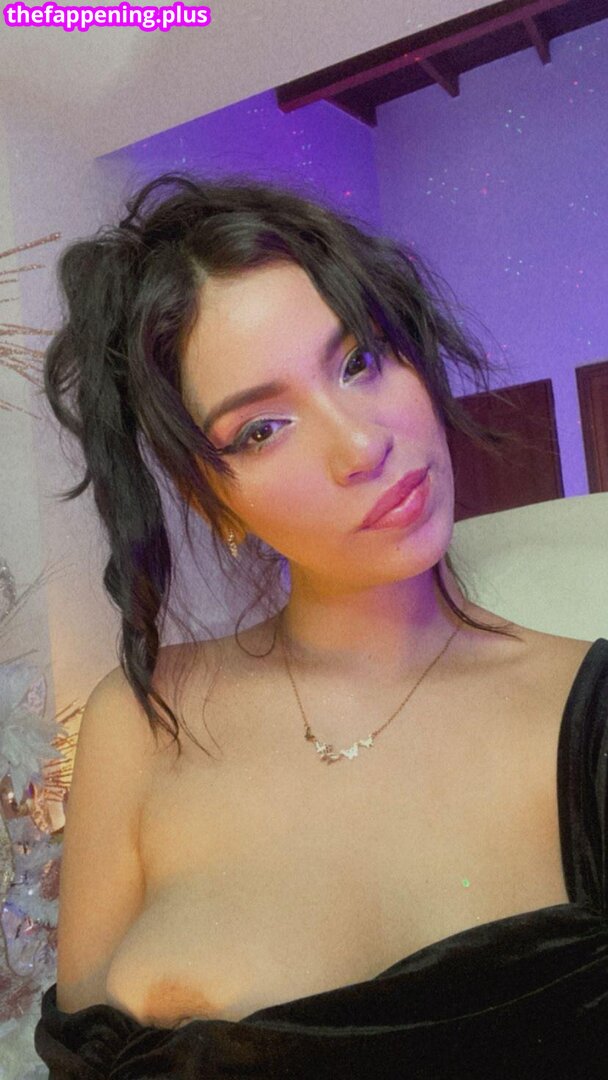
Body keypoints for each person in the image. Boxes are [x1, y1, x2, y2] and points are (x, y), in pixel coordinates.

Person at [34, 173, 607, 1078]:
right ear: (206, 496)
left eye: (360, 360)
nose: (362, 444)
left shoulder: (592, 718)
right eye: (262, 429)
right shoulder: (139, 721)